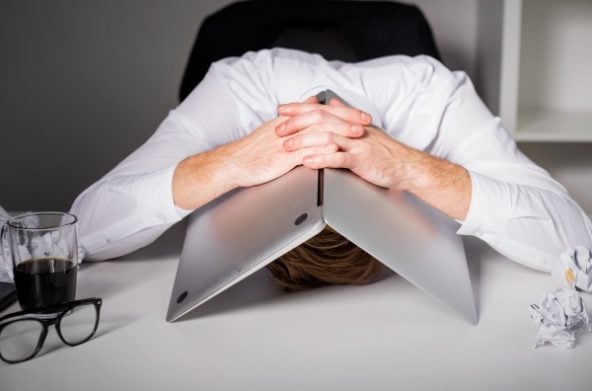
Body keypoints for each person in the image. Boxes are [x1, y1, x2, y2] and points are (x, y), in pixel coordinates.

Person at [70, 48, 592, 290]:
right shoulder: (237, 90)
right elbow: (79, 234)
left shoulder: (434, 96)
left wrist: (410, 167)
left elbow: (578, 246)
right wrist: (233, 162)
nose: (327, 154)